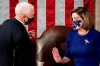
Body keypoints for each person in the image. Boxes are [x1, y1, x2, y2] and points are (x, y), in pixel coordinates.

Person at [0, 2, 36, 66]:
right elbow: (24, 60)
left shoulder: (6, 23)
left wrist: (26, 36)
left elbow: (8, 39)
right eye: (32, 15)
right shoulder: (21, 34)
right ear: (24, 17)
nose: (33, 17)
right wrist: (25, 38)